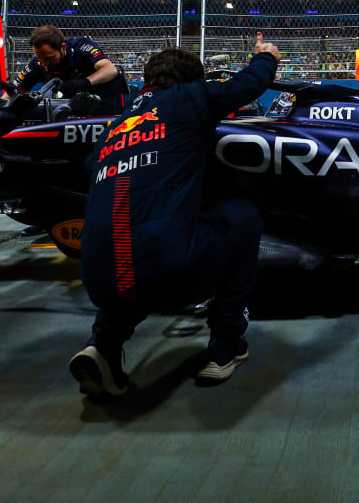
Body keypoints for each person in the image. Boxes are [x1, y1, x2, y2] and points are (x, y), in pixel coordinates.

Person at [68, 33, 278, 398]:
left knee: (130, 258)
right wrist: (266, 58)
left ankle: (101, 347)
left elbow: (90, 166)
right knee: (242, 217)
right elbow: (247, 85)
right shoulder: (189, 97)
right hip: (171, 271)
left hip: (97, 279)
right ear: (193, 80)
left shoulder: (118, 124)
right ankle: (227, 344)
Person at [17, 25, 126, 114]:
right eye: (40, 58)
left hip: (106, 99)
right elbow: (12, 91)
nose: (44, 63)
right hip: (74, 107)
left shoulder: (82, 47)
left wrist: (85, 82)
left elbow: (110, 70)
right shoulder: (38, 63)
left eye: (49, 58)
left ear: (63, 47)